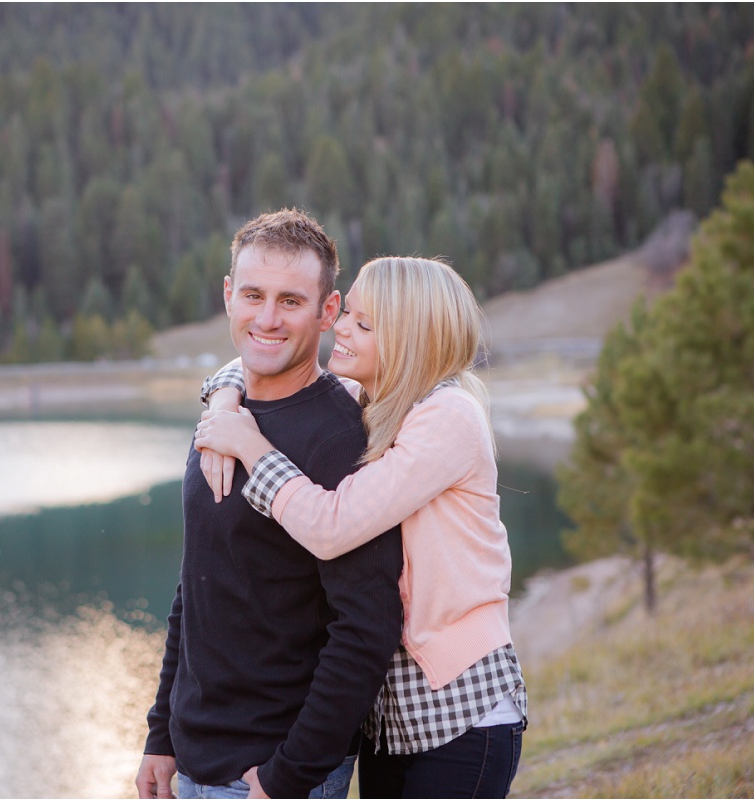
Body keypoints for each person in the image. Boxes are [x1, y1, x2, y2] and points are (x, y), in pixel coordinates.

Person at [194, 256, 528, 799]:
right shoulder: (372, 403)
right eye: (347, 312)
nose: (340, 328)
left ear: (410, 339)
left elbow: (332, 526)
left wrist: (250, 446)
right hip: (389, 716)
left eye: (364, 324)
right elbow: (249, 364)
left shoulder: (447, 416)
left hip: (460, 710)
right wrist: (227, 394)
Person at [135, 209, 404, 800]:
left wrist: (289, 777)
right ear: (228, 296)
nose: (266, 318)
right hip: (194, 763)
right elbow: (198, 583)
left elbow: (365, 629)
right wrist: (162, 734)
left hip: (270, 774)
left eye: (290, 300)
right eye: (253, 295)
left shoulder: (340, 441)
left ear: (327, 312)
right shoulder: (222, 416)